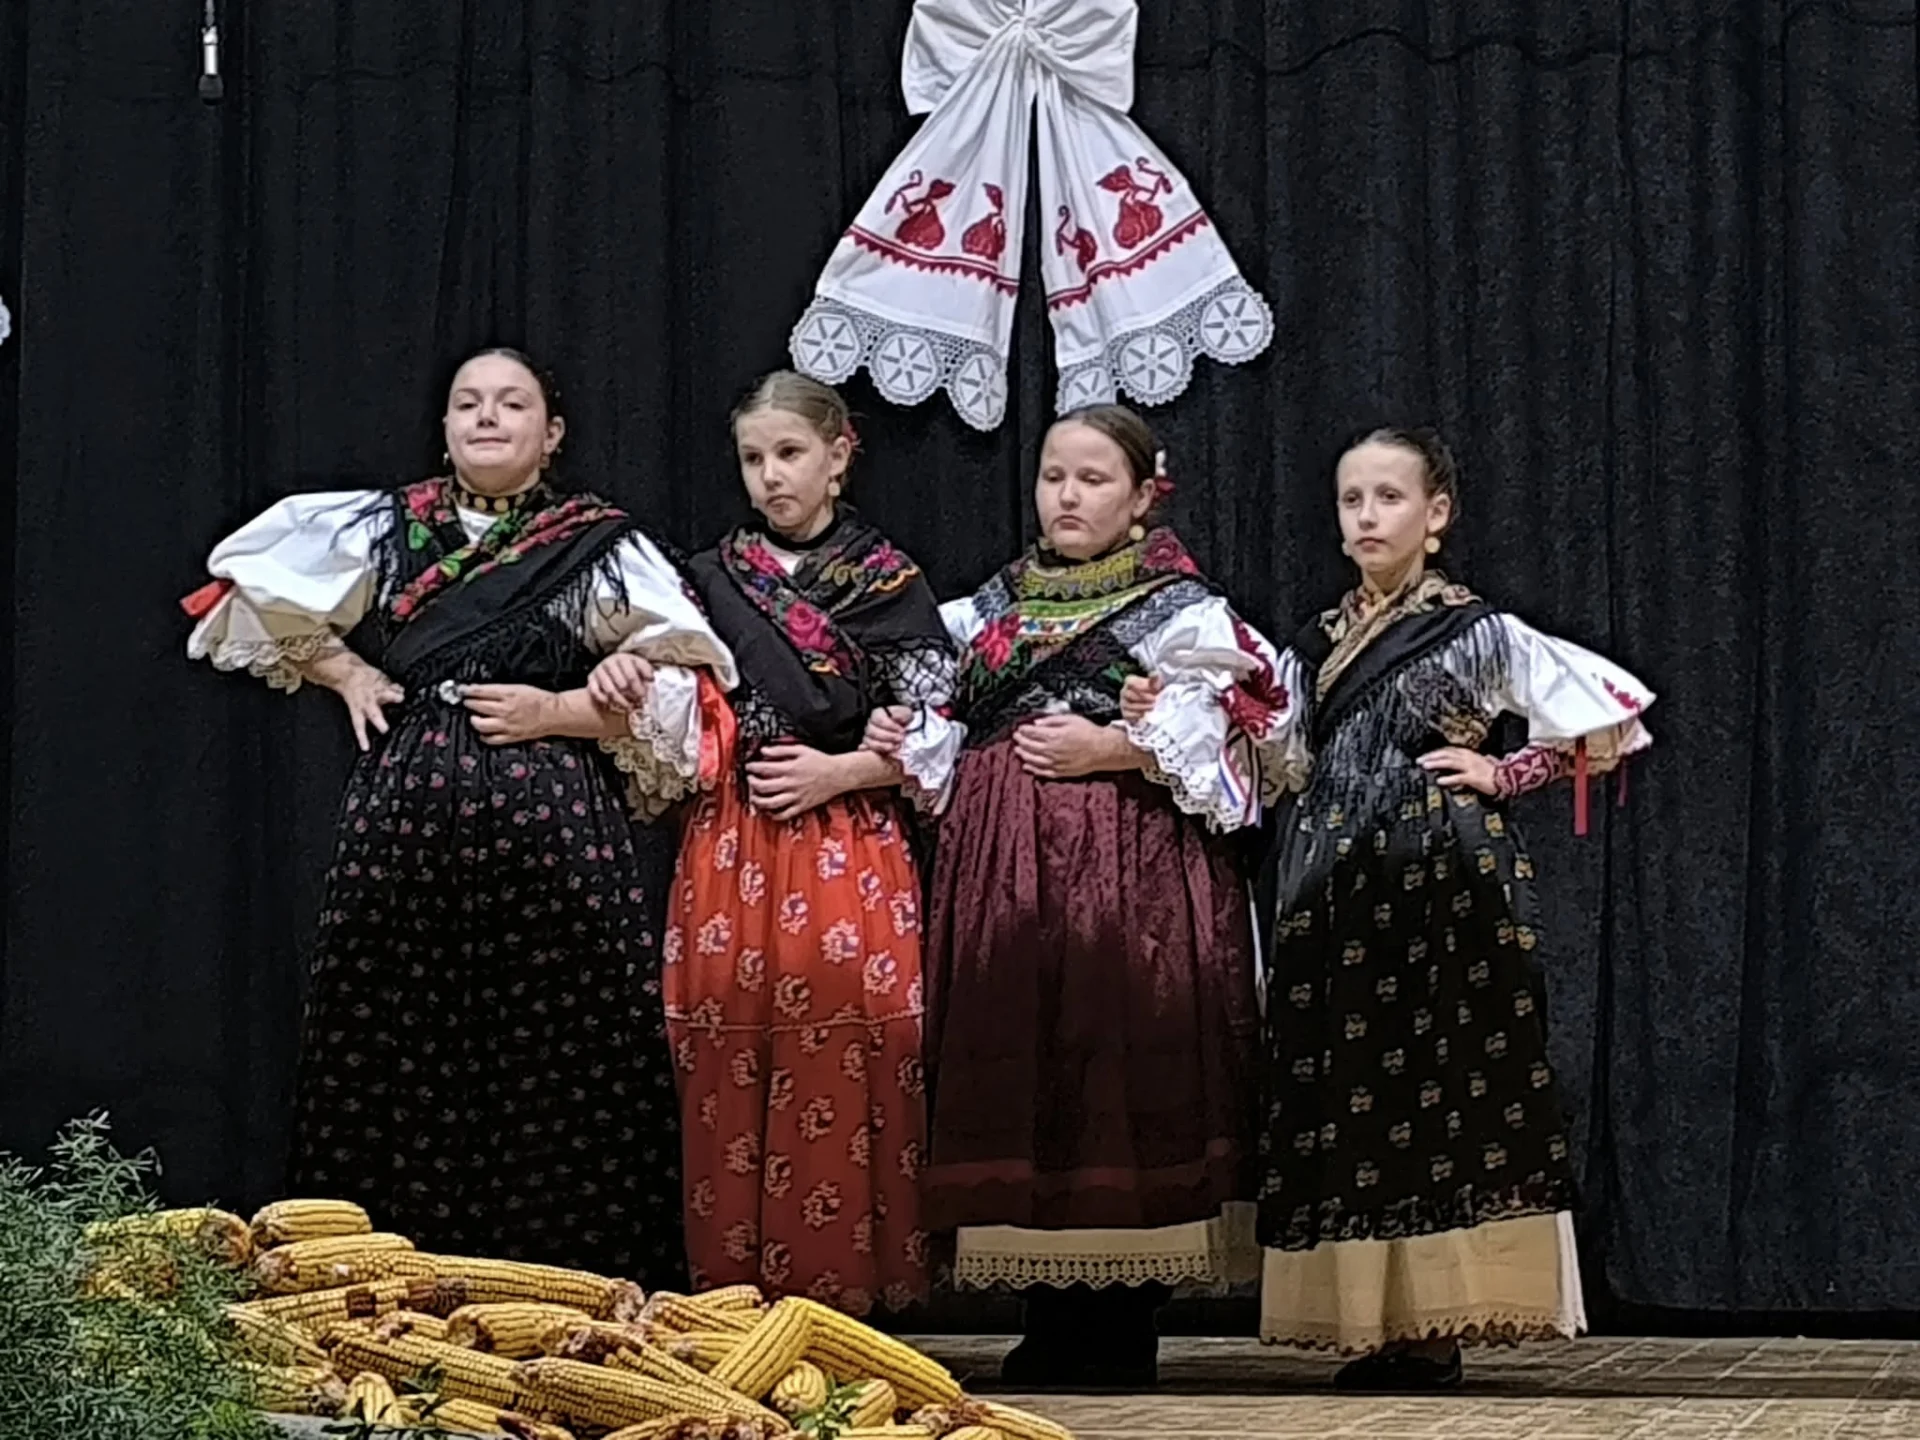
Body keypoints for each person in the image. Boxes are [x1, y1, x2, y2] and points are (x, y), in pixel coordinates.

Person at [183, 347, 736, 1284]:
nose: (486, 417)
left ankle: (567, 1281)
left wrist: (569, 706)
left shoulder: (596, 545)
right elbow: (242, 597)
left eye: (511, 403)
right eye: (467, 403)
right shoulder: (387, 528)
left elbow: (693, 686)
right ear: (443, 427)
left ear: (550, 433)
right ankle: (383, 1286)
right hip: (406, 825)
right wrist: (349, 670)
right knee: (393, 1037)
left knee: (566, 1046)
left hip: (553, 833)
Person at [1133, 426, 1653, 1387]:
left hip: (1442, 883)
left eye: (1389, 498)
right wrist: (1207, 720)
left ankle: (1435, 1327)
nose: (1367, 516)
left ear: (1437, 515)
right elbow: (1278, 764)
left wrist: (1507, 768)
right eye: (1352, 500)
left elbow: (1611, 720)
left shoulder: (1478, 631)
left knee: (1440, 1086)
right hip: (1330, 887)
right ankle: (1365, 1321)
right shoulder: (1313, 644)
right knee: (1347, 1093)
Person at [864, 405, 1283, 1388]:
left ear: (1142, 497)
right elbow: (938, 718)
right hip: (1005, 871)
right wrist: (910, 735)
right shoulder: (989, 611)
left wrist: (1118, 747)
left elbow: (1259, 722)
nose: (1068, 495)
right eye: (1055, 476)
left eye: (1094, 479)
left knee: (1117, 1065)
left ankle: (1120, 1321)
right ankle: (1050, 1314)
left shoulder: (1179, 610)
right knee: (1025, 1066)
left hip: (1133, 876)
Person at [591, 372, 951, 1316]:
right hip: (732, 843)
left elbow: (939, 729)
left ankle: (852, 1300)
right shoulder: (700, 582)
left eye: (790, 454)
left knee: (851, 1052)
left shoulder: (889, 583)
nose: (770, 477)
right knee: (725, 1057)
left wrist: (843, 774)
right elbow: (673, 707)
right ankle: (732, 1304)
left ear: (840, 455)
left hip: (849, 846)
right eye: (753, 459)